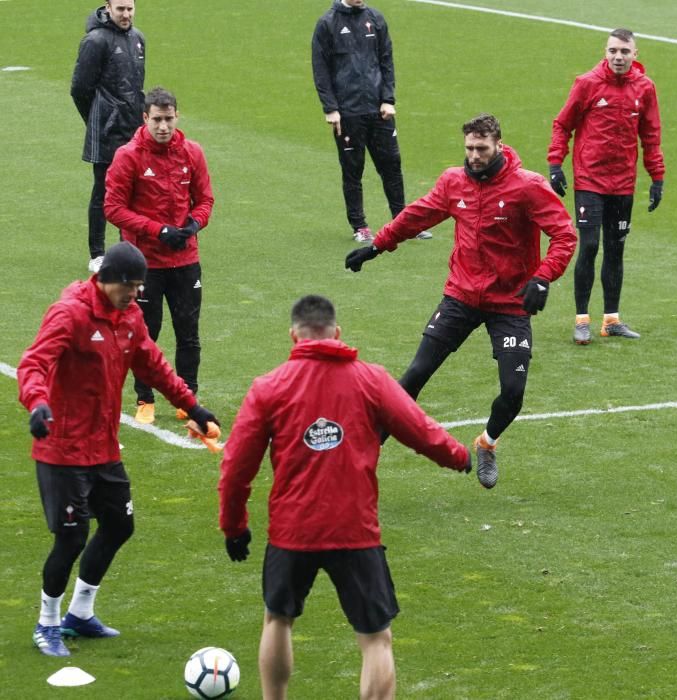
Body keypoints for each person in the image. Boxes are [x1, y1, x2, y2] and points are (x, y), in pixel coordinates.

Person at [218, 295, 471, 700]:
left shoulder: (269, 387)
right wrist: (458, 456)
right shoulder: (370, 379)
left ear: (293, 336)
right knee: (375, 638)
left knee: (278, 620)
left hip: (291, 530)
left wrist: (234, 526)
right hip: (355, 529)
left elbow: (236, 466)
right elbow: (418, 428)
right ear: (336, 333)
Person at [345, 114, 577, 489]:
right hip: (462, 295)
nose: (474, 156)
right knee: (415, 374)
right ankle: (361, 457)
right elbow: (418, 215)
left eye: (481, 149)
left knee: (513, 393)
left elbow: (565, 235)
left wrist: (542, 277)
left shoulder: (528, 187)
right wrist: (377, 246)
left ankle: (487, 442)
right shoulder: (454, 181)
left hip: (510, 302)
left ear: (499, 145)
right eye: (469, 148)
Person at [17, 242, 219, 658]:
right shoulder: (70, 314)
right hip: (63, 447)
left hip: (103, 446)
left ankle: (79, 614)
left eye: (139, 286)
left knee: (118, 526)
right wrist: (37, 403)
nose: (134, 293)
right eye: (129, 285)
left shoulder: (129, 318)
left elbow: (154, 366)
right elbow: (34, 363)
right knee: (72, 539)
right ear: (107, 279)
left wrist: (192, 406)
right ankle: (47, 622)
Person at [104, 87, 215, 425]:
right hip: (145, 265)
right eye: (157, 120)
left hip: (185, 261)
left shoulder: (192, 153)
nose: (163, 127)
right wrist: (158, 230)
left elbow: (206, 200)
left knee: (188, 332)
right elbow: (113, 208)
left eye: (169, 119)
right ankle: (144, 398)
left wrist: (193, 225)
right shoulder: (128, 156)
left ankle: (188, 397)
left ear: (177, 117)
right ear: (145, 118)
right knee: (144, 335)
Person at [548, 28, 665, 344]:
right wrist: (555, 164)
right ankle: (582, 319)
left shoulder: (645, 88)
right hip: (589, 180)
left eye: (624, 52)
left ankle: (611, 319)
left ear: (635, 55)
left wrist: (657, 178)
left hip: (623, 183)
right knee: (589, 245)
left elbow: (651, 136)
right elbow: (563, 124)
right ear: (605, 51)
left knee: (616, 249)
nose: (618, 57)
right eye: (613, 50)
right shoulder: (587, 84)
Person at [311, 0, 432, 243]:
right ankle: (360, 226)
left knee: (392, 166)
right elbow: (320, 69)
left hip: (380, 111)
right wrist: (331, 108)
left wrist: (388, 99)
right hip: (347, 113)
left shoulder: (375, 19)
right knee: (353, 169)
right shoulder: (327, 23)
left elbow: (386, 60)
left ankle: (402, 221)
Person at [71, 0, 145, 273]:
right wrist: (98, 118)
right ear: (108, 8)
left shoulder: (138, 39)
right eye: (120, 9)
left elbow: (137, 85)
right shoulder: (95, 41)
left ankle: (129, 246)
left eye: (130, 8)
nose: (126, 14)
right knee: (103, 189)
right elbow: (79, 88)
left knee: (136, 189)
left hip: (133, 127)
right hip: (106, 129)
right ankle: (98, 253)